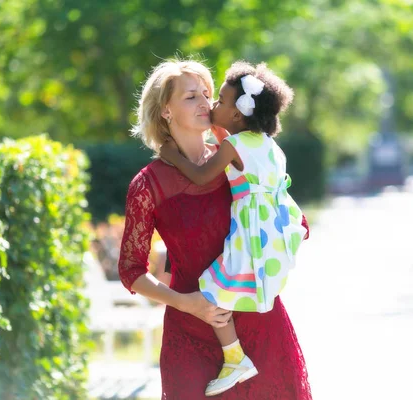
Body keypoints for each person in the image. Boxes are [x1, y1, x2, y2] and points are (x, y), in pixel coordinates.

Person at [118, 59, 313, 399]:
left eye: (208, 94)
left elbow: (292, 219)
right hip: (190, 335)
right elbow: (131, 270)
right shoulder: (148, 185)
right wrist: (184, 302)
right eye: (191, 96)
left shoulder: (238, 161)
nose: (206, 104)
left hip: (260, 324)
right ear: (165, 110)